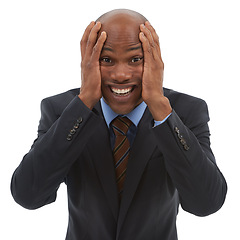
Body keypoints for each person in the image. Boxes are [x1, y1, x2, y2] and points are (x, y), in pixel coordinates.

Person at [11, 9, 227, 240]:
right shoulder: (62, 111)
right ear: (88, 62)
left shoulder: (184, 112)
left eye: (136, 59)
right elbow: (28, 195)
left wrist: (160, 109)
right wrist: (83, 104)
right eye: (106, 60)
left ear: (155, 62)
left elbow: (206, 203)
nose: (121, 74)